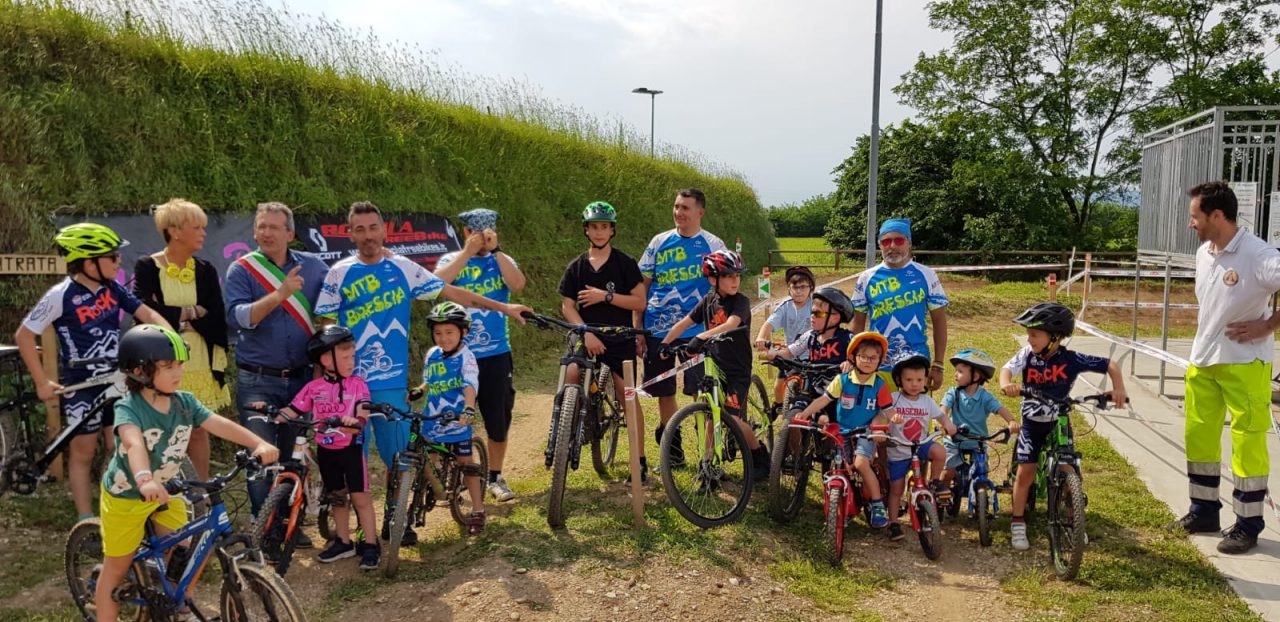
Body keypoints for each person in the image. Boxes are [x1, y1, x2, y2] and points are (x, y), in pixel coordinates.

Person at [315, 201, 530, 542]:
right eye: (360, 229)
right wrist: (323, 382)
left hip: (390, 381)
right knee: (350, 460)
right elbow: (325, 329)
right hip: (349, 383)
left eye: (373, 228)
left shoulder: (402, 267)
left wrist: (504, 306)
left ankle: (394, 520)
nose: (368, 235)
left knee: (398, 458)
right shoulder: (338, 273)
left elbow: (453, 292)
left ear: (383, 230)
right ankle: (361, 528)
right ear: (350, 233)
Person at [94, 324, 278, 621]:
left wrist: (258, 442)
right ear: (140, 371)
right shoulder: (129, 409)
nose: (178, 372)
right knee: (115, 570)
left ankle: (176, 602)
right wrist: (144, 479)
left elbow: (219, 424)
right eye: (167, 366)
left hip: (168, 489)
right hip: (127, 495)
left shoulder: (184, 401)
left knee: (185, 549)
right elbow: (133, 444)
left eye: (179, 364)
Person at [15, 223, 171, 520]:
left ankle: (120, 510)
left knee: (122, 446)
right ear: (89, 263)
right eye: (112, 257)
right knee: (83, 451)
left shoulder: (113, 289)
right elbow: (24, 335)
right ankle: (86, 520)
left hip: (117, 379)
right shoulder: (61, 295)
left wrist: (170, 337)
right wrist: (41, 382)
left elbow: (146, 313)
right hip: (81, 384)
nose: (118, 261)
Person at [1171, 181, 1280, 554]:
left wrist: (1268, 325)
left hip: (1245, 364)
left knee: (1247, 443)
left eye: (1194, 217)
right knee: (1199, 437)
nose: (1191, 224)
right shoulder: (1205, 253)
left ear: (1217, 215)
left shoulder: (1258, 253)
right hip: (1203, 361)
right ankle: (1203, 510)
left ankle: (1248, 524)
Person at [224, 202, 329, 539]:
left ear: (290, 233)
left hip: (300, 378)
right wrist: (280, 294)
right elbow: (240, 317)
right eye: (261, 227)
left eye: (274, 227)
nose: (266, 233)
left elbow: (329, 312)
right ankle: (264, 528)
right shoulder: (242, 270)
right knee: (262, 457)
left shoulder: (313, 267)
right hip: (257, 379)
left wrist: (322, 367)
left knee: (291, 457)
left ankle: (288, 524)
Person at [999, 302, 1127, 551]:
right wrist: (1007, 384)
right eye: (1028, 334)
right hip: (1032, 421)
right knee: (1026, 470)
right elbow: (1007, 370)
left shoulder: (1071, 358)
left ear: (1054, 337)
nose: (1029, 339)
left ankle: (1073, 521)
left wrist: (1118, 386)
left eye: (1035, 334)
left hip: (1059, 419)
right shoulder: (1027, 355)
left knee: (1069, 468)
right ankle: (1017, 522)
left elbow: (1110, 364)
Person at [433, 207, 527, 502]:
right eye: (477, 232)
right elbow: (436, 284)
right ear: (465, 232)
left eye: (488, 232)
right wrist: (466, 252)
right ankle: (458, 475)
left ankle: (495, 477)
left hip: (496, 353)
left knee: (498, 418)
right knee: (452, 416)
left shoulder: (502, 260)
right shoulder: (451, 260)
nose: (483, 238)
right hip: (457, 356)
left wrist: (496, 250)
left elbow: (518, 285)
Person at [267, 326, 380, 569]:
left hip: (350, 448)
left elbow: (364, 407)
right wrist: (270, 414)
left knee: (360, 497)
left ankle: (371, 544)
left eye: (353, 356)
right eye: (346, 357)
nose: (352, 361)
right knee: (337, 497)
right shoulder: (314, 387)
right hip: (326, 450)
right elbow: (294, 410)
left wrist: (357, 421)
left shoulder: (357, 383)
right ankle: (343, 541)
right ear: (326, 359)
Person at [132, 198, 229, 480]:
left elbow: (216, 317)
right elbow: (143, 312)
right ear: (174, 231)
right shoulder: (147, 266)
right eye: (196, 227)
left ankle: (199, 491)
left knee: (197, 430)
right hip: (162, 362)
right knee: (163, 428)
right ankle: (162, 486)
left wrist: (175, 317)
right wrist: (190, 312)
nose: (203, 232)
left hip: (198, 359)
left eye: (204, 227)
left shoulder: (206, 269)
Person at [556, 202, 647, 479]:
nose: (599, 232)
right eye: (594, 227)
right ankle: (565, 432)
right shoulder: (576, 267)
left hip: (619, 337)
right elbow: (567, 306)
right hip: (587, 334)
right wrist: (585, 332)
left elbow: (639, 301)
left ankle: (639, 461)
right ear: (586, 230)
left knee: (626, 395)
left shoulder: (625, 263)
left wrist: (604, 296)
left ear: (612, 230)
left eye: (604, 227)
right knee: (571, 372)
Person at [658, 249, 768, 476]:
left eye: (737, 276)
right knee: (711, 415)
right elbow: (684, 323)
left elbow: (731, 323)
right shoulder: (708, 301)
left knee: (733, 419)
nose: (735, 280)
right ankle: (707, 464)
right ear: (713, 279)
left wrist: (701, 337)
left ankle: (759, 455)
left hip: (737, 370)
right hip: (715, 367)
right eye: (728, 276)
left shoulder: (741, 302)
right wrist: (665, 344)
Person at [638, 188, 727, 456]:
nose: (679, 213)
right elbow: (642, 286)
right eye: (676, 207)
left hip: (697, 330)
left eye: (685, 208)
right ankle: (672, 449)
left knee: (700, 392)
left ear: (700, 212)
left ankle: (706, 453)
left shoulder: (713, 245)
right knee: (664, 391)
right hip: (658, 329)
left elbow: (727, 285)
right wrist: (639, 329)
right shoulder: (658, 242)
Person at [794, 331, 896, 528]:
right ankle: (842, 504)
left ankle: (876, 504)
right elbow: (824, 400)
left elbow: (887, 409)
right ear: (853, 357)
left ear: (880, 361)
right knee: (839, 465)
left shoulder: (880, 385)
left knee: (860, 464)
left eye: (873, 358)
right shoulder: (842, 380)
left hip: (866, 431)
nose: (868, 361)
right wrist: (805, 413)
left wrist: (894, 418)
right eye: (863, 356)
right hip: (842, 430)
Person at [851, 218, 949, 391]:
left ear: (909, 244)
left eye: (899, 240)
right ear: (880, 245)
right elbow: (857, 323)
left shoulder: (927, 275)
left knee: (914, 418)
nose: (892, 246)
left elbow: (939, 321)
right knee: (878, 418)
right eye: (886, 241)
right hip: (877, 365)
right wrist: (852, 360)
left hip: (916, 366)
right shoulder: (867, 278)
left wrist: (938, 364)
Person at [416, 302, 487, 534]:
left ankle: (477, 510)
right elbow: (430, 378)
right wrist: (419, 389)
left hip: (457, 418)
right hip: (433, 416)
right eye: (438, 333)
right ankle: (440, 488)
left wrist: (468, 408)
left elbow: (470, 384)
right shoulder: (432, 354)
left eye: (449, 332)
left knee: (466, 464)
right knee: (430, 455)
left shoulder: (466, 357)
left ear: (463, 332)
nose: (443, 338)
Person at [885, 353, 957, 542]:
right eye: (909, 379)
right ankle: (893, 522)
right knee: (896, 490)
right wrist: (884, 424)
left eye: (919, 379)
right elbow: (881, 414)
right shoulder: (893, 399)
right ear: (899, 379)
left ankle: (934, 481)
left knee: (939, 451)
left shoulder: (926, 401)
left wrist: (948, 425)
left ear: (925, 380)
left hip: (920, 447)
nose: (914, 384)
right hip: (898, 449)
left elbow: (940, 416)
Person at [940, 349, 1018, 489]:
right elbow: (943, 409)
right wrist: (945, 423)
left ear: (975, 376)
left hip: (978, 442)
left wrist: (1011, 421)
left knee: (982, 473)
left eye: (960, 371)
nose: (955, 375)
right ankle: (940, 496)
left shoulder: (984, 397)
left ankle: (981, 502)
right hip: (955, 439)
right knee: (948, 472)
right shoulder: (954, 393)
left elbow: (1000, 409)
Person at [757, 265, 816, 412]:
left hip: (812, 355)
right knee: (779, 387)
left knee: (817, 388)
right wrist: (761, 338)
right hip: (790, 354)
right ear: (789, 289)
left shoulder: (816, 305)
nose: (799, 291)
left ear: (811, 288)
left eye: (803, 287)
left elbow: (826, 320)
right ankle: (777, 406)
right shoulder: (785, 306)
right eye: (794, 287)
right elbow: (769, 324)